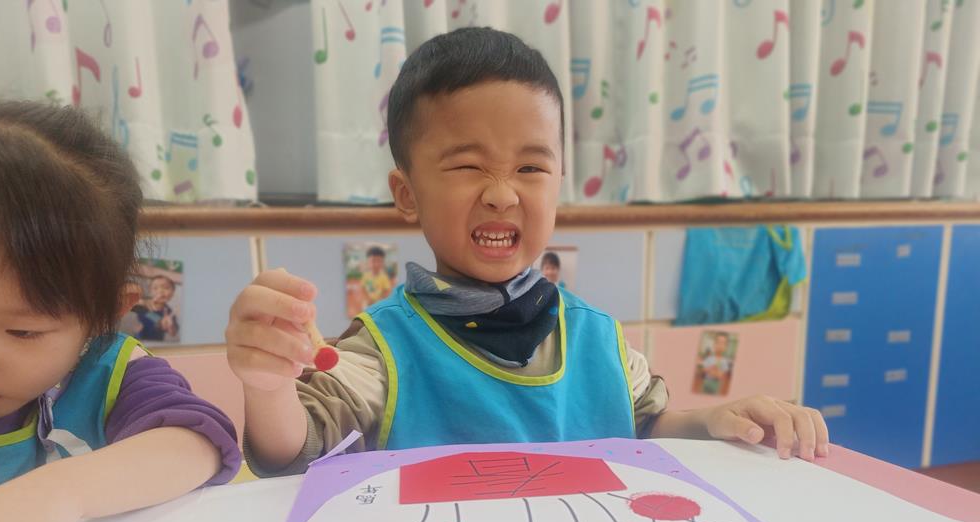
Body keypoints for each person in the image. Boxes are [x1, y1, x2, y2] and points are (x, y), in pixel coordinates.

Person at [226, 28, 828, 477]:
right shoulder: (379, 352)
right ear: (407, 194)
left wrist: (717, 420)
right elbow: (296, 449)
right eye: (468, 166)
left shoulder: (599, 338)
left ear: (559, 181)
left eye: (531, 167)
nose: (501, 193)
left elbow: (646, 424)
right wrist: (268, 386)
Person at [0, 99, 240, 522]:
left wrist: (63, 492)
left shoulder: (107, 370)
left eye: (23, 332)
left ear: (103, 314)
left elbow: (197, 444)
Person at [129, 274, 180, 342]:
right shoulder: (143, 305)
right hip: (139, 342)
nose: (160, 291)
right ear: (150, 292)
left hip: (155, 343)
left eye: (166, 288)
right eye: (155, 288)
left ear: (172, 293)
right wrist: (160, 321)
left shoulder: (168, 312)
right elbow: (137, 308)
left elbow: (173, 333)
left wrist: (170, 326)